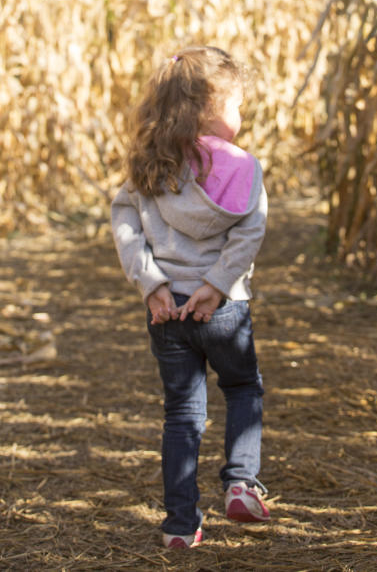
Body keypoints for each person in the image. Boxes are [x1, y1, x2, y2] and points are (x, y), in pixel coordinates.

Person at [111, 45, 270, 550]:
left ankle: (181, 525)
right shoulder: (244, 169)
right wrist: (216, 285)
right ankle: (241, 482)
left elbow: (125, 223)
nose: (240, 118)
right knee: (242, 386)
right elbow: (250, 233)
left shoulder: (149, 163)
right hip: (224, 309)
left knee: (182, 412)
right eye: (237, 106)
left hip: (167, 311)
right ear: (210, 108)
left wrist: (151, 283)